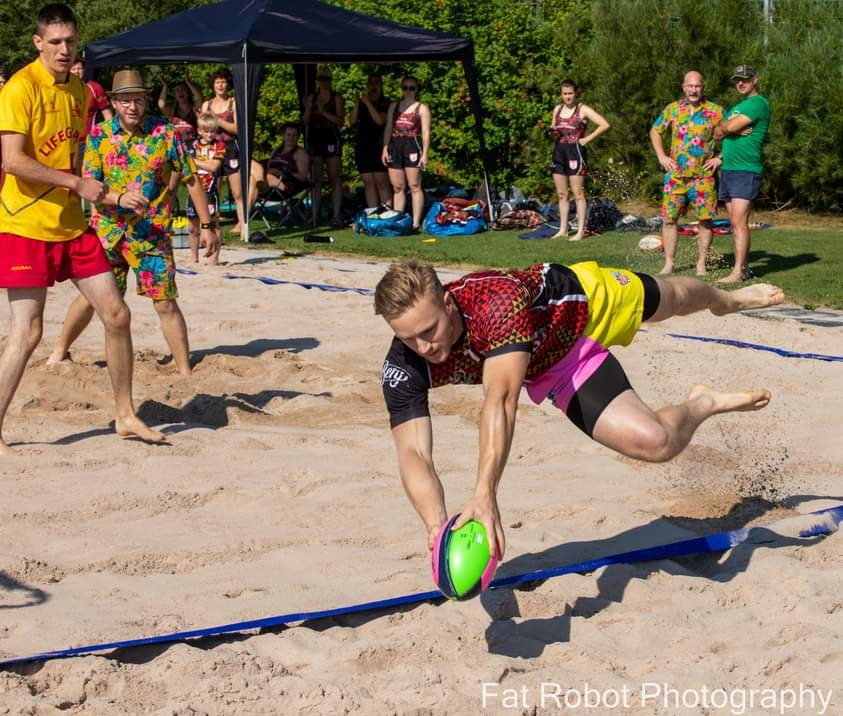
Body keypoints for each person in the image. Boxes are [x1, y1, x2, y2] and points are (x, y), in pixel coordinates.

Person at [374, 260, 784, 557]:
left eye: (429, 331)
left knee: (674, 297)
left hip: (584, 304)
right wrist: (436, 524)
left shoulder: (494, 302)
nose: (424, 348)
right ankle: (703, 401)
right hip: (556, 365)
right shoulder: (404, 366)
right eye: (409, 338)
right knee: (657, 443)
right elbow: (413, 452)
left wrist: (484, 494)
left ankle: (726, 298)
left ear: (447, 302)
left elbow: (499, 401)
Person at [0, 4, 163, 453]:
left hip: (72, 224)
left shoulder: (79, 91)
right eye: (54, 42)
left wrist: (109, 195)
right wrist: (76, 183)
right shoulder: (19, 88)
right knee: (27, 333)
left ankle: (125, 415)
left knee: (117, 313)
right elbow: (12, 161)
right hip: (25, 225)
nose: (63, 49)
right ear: (38, 43)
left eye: (69, 41)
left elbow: (75, 162)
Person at [48, 69, 219, 377]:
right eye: (125, 100)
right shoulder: (100, 135)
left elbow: (192, 179)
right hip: (108, 232)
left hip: (151, 234)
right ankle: (59, 352)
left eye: (138, 99)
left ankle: (185, 372)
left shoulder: (165, 133)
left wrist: (207, 227)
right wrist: (118, 198)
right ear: (114, 103)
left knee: (165, 301)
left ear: (145, 100)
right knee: (90, 299)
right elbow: (89, 185)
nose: (132, 107)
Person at [649, 71, 724, 275]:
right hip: (675, 176)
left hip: (703, 177)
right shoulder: (673, 109)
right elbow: (655, 131)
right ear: (684, 87)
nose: (693, 90)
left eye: (697, 86)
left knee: (705, 221)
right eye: (690, 86)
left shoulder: (715, 111)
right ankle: (669, 263)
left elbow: (732, 136)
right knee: (669, 219)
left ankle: (701, 264)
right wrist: (661, 156)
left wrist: (720, 158)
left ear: (703, 87)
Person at [714, 65, 771, 284]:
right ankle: (743, 269)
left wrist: (727, 127)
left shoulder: (758, 103)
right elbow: (717, 132)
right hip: (728, 169)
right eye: (737, 79)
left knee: (739, 221)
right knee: (733, 222)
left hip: (745, 170)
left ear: (755, 80)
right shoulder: (737, 107)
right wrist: (728, 127)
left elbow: (724, 129)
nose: (740, 83)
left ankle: (738, 272)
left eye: (745, 79)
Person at [549, 79, 610, 241]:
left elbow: (604, 124)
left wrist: (587, 139)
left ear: (576, 93)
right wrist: (552, 132)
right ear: (561, 95)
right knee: (562, 194)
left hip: (576, 152)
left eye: (570, 93)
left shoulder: (582, 109)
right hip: (559, 152)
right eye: (564, 94)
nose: (567, 97)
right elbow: (553, 128)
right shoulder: (557, 109)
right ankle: (563, 229)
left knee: (578, 193)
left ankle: (580, 231)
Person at [382, 76, 431, 231]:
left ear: (417, 90)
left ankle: (416, 223)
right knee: (397, 187)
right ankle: (398, 219)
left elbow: (426, 132)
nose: (408, 91)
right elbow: (389, 128)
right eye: (405, 87)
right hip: (395, 145)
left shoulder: (421, 108)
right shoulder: (394, 106)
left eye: (412, 88)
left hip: (412, 145)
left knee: (414, 185)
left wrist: (425, 154)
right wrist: (385, 148)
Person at [200, 69, 244, 239]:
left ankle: (243, 228)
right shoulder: (207, 105)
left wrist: (218, 121)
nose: (221, 85)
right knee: (212, 190)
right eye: (217, 82)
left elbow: (237, 129)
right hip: (212, 149)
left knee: (237, 192)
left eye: (224, 82)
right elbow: (203, 128)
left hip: (231, 148)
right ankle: (212, 229)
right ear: (213, 85)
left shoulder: (233, 103)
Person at [302, 66, 344, 227]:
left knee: (335, 177)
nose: (324, 82)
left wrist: (323, 112)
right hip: (315, 138)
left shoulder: (336, 98)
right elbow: (305, 121)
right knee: (316, 179)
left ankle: (336, 216)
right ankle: (314, 215)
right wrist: (308, 109)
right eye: (321, 79)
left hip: (331, 137)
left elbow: (341, 121)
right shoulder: (312, 98)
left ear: (331, 80)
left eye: (326, 79)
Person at [186, 113, 226, 264]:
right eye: (206, 131)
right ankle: (193, 257)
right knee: (192, 226)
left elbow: (214, 167)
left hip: (210, 190)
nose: (209, 134)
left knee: (214, 224)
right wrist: (200, 162)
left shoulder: (219, 146)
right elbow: (186, 165)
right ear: (199, 131)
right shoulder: (192, 145)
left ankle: (214, 259)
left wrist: (194, 161)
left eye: (212, 131)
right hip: (193, 188)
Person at [349, 74, 391, 208]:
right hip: (363, 146)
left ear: (381, 86)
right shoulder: (362, 104)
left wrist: (368, 103)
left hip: (379, 146)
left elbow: (380, 120)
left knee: (381, 182)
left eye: (376, 83)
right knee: (368, 182)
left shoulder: (386, 103)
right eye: (371, 83)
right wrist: (357, 103)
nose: (373, 86)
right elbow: (352, 121)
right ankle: (373, 214)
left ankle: (387, 213)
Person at [250, 122, 310, 200]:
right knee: (251, 171)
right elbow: (268, 168)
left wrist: (281, 172)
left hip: (286, 186)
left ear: (298, 137)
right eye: (288, 135)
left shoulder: (300, 153)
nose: (291, 138)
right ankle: (247, 207)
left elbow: (302, 178)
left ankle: (254, 191)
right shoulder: (276, 150)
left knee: (261, 178)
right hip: (268, 182)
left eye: (294, 135)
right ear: (283, 135)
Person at [69, 56, 113, 137]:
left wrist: (110, 135)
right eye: (73, 69)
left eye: (79, 68)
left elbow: (107, 115)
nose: (76, 72)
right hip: (67, 140)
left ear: (84, 70)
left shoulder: (95, 88)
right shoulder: (62, 89)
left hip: (90, 139)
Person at [157, 69, 203, 146]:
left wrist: (188, 82)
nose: (180, 92)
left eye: (183, 89)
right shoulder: (172, 111)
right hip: (176, 148)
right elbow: (161, 105)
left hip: (193, 147)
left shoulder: (195, 109)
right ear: (174, 95)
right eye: (177, 90)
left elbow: (199, 98)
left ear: (189, 93)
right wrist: (165, 87)